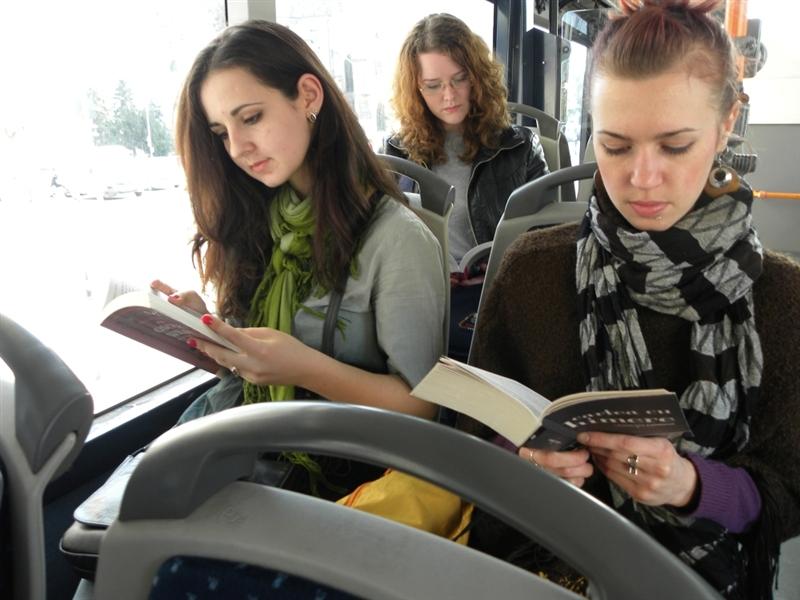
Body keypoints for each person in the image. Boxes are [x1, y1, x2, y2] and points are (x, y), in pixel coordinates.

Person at [464, 1, 800, 598]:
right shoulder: (530, 272)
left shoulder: (783, 300)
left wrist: (693, 487)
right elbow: (473, 444)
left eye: (675, 146)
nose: (642, 179)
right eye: (615, 147)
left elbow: (790, 490)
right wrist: (526, 465)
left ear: (726, 123)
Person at [158, 19, 446, 496]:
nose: (238, 148)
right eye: (221, 133)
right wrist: (211, 331)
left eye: (251, 118)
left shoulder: (397, 240)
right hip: (253, 439)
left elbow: (422, 408)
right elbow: (252, 368)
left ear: (308, 96)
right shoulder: (255, 219)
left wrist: (303, 368)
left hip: (342, 473)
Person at [383, 13, 549, 360]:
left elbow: (547, 239)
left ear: (477, 77)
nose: (449, 95)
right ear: (416, 89)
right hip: (425, 296)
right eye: (433, 85)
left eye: (460, 79)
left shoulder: (519, 148)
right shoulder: (397, 152)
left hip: (500, 294)